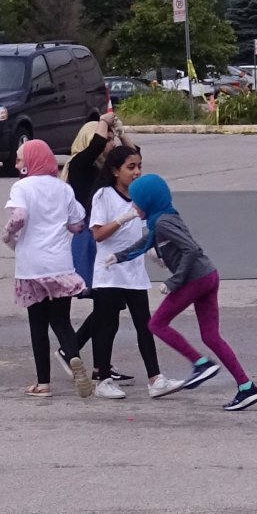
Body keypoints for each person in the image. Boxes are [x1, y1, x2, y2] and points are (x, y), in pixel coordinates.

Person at [117, 173, 257, 411]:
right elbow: (145, 243)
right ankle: (246, 387)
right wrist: (117, 257)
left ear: (148, 201)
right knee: (210, 336)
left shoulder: (162, 222)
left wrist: (174, 281)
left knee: (156, 324)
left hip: (196, 280)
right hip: (208, 276)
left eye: (137, 201)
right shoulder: (161, 219)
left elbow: (191, 249)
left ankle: (200, 364)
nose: (134, 207)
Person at [77, 145, 190, 400]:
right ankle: (103, 379)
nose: (137, 172)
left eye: (139, 166)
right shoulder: (103, 196)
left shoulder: (141, 197)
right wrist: (124, 218)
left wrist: (155, 254)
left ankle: (155, 379)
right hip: (109, 271)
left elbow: (145, 233)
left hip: (134, 273)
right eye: (131, 167)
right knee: (106, 325)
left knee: (145, 325)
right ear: (116, 170)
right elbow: (97, 234)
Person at [3, 138, 90, 398]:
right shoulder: (63, 189)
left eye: (20, 159)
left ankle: (43, 383)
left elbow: (19, 217)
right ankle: (74, 358)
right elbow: (78, 221)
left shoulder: (22, 187)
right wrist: (66, 227)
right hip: (60, 265)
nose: (16, 164)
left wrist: (8, 235)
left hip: (31, 265)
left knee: (37, 325)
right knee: (62, 321)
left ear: (30, 163)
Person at [62, 114, 137, 382]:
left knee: (110, 307)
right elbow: (93, 147)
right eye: (106, 140)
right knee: (109, 305)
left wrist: (120, 131)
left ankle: (97, 365)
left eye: (109, 139)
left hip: (109, 239)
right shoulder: (80, 165)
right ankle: (74, 351)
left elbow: (133, 158)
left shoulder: (107, 170)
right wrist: (103, 122)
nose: (108, 143)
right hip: (92, 241)